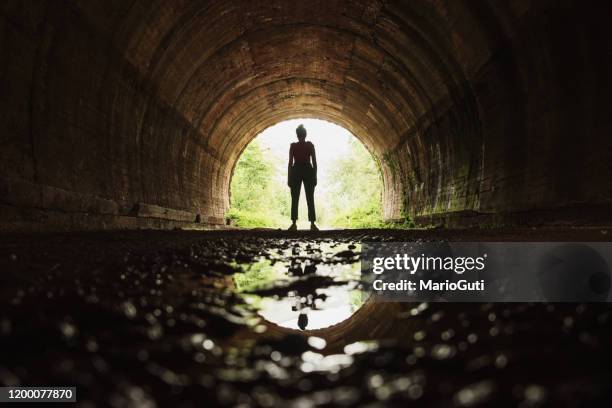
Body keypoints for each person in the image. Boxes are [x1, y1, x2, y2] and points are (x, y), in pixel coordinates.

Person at [287, 124, 318, 231]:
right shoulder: (310, 145)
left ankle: (294, 223)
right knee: (310, 197)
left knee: (294, 197)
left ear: (297, 135)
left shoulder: (293, 146)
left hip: (296, 170)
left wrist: (289, 177)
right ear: (305, 134)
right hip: (308, 170)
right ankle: (313, 224)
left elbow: (290, 163)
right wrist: (315, 176)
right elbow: (314, 162)